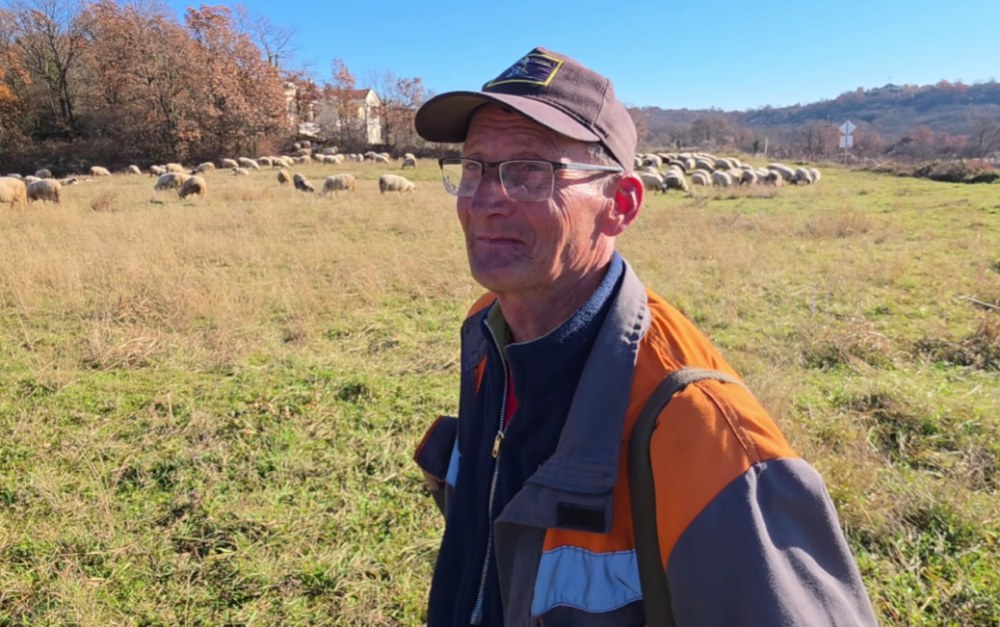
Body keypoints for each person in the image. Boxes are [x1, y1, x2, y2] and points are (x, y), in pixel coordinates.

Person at [412, 47, 877, 627]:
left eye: (530, 171)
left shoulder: (699, 428)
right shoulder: (489, 331)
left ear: (621, 205)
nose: (484, 201)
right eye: (474, 167)